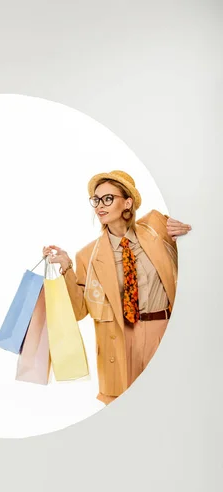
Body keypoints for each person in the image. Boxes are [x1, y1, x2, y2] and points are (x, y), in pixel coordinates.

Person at [43, 170, 191, 405]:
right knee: (125, 409)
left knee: (170, 401)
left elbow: (195, 231)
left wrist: (187, 230)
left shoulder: (156, 228)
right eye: (96, 199)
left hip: (162, 330)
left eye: (108, 198)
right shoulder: (87, 255)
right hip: (120, 338)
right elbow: (80, 310)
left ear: (128, 202)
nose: (100, 205)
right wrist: (66, 269)